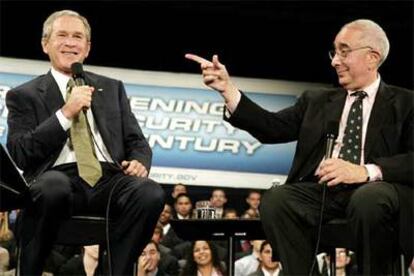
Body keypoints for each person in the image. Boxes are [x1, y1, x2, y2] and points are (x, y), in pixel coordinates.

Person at [185, 18, 413, 275]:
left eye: (344, 51)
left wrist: (365, 171)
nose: (334, 60)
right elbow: (272, 127)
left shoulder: (406, 103)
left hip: (377, 192)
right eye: (334, 52)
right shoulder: (316, 101)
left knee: (369, 199)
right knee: (277, 199)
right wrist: (228, 90)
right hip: (325, 193)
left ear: (372, 57)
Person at [5, 10, 165, 275]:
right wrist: (65, 113)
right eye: (62, 35)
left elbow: (136, 141)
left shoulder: (112, 88)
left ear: (87, 48)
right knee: (52, 186)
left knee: (150, 192)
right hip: (57, 178)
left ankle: (113, 271)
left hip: (109, 179)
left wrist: (139, 161)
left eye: (78, 36)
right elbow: (21, 153)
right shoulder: (23, 95)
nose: (71, 42)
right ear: (45, 44)